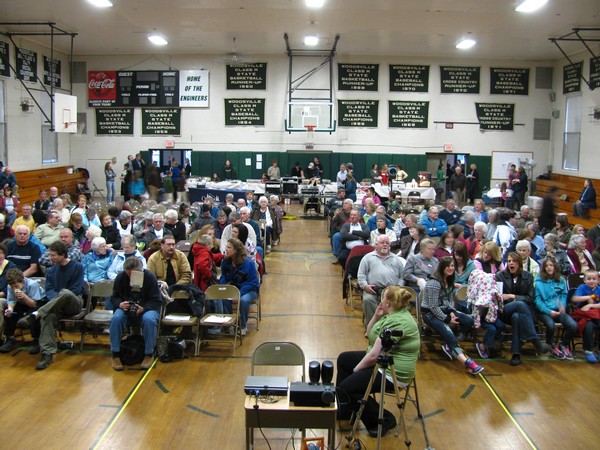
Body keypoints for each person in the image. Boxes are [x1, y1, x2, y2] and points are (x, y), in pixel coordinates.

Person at [336, 286, 419, 435]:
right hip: (381, 361)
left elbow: (374, 357)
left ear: (388, 302)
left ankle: (384, 419)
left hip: (393, 372)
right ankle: (346, 409)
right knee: (344, 359)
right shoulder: (391, 314)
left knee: (346, 387)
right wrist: (376, 315)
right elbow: (368, 333)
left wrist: (356, 370)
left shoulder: (399, 322)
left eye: (383, 297)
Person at [16, 241, 85, 370]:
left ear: (62, 254)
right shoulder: (51, 271)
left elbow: (75, 289)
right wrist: (57, 300)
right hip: (56, 305)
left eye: (53, 255)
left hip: (74, 302)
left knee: (65, 292)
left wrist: (59, 298)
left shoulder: (77, 267)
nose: (50, 258)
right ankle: (47, 354)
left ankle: (36, 313)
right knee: (47, 316)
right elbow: (49, 290)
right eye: (50, 255)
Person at [421, 257, 483, 375]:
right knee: (449, 334)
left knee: (469, 320)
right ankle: (467, 362)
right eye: (448, 266)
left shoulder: (449, 280)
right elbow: (433, 307)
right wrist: (448, 319)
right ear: (442, 267)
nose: (451, 268)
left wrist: (451, 312)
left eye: (452, 266)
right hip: (430, 314)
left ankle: (454, 342)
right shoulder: (434, 283)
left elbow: (449, 300)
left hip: (444, 311)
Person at [495, 252, 549, 366]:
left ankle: (516, 354)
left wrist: (512, 296)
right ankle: (535, 341)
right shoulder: (499, 275)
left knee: (517, 317)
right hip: (504, 310)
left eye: (513, 261)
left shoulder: (528, 276)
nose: (511, 263)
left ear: (519, 263)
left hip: (522, 314)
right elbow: (498, 298)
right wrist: (514, 299)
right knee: (520, 305)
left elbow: (531, 298)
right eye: (509, 261)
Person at [109, 256, 162, 371]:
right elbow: (113, 298)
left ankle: (149, 353)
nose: (130, 276)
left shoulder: (149, 277)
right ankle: (115, 354)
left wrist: (144, 308)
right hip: (126, 309)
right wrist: (120, 304)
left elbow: (157, 300)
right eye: (128, 274)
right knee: (116, 318)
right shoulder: (121, 277)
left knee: (149, 319)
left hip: (146, 308)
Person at [358, 235, 405, 326]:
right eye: (382, 243)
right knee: (368, 300)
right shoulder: (367, 258)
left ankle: (391, 327)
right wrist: (365, 286)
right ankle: (372, 327)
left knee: (399, 303)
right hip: (373, 291)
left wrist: (399, 286)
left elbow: (402, 276)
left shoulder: (396, 259)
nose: (385, 245)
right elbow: (361, 274)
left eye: (387, 243)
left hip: (391, 291)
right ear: (376, 245)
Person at [534, 257, 576, 360]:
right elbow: (538, 301)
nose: (549, 267)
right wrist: (549, 311)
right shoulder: (538, 281)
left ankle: (564, 345)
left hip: (558, 310)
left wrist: (562, 305)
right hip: (543, 311)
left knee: (573, 325)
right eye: (546, 266)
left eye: (551, 265)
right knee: (550, 325)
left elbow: (564, 295)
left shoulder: (560, 279)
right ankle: (551, 346)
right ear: (543, 268)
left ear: (555, 267)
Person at [220, 238, 260, 336]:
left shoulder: (248, 263)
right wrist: (224, 287)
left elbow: (252, 282)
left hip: (250, 290)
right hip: (234, 288)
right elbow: (224, 277)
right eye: (226, 246)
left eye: (229, 247)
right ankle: (229, 324)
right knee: (224, 298)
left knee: (243, 300)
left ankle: (242, 325)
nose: (226, 249)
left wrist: (238, 294)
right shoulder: (225, 262)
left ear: (236, 250)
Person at [571, 269, 600, 363]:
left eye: (594, 279)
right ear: (585, 280)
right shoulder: (582, 288)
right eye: (589, 279)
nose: (591, 281)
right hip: (584, 314)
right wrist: (589, 297)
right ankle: (588, 351)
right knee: (588, 326)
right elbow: (574, 299)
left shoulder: (599, 289)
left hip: (596, 312)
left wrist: (591, 305)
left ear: (598, 280)